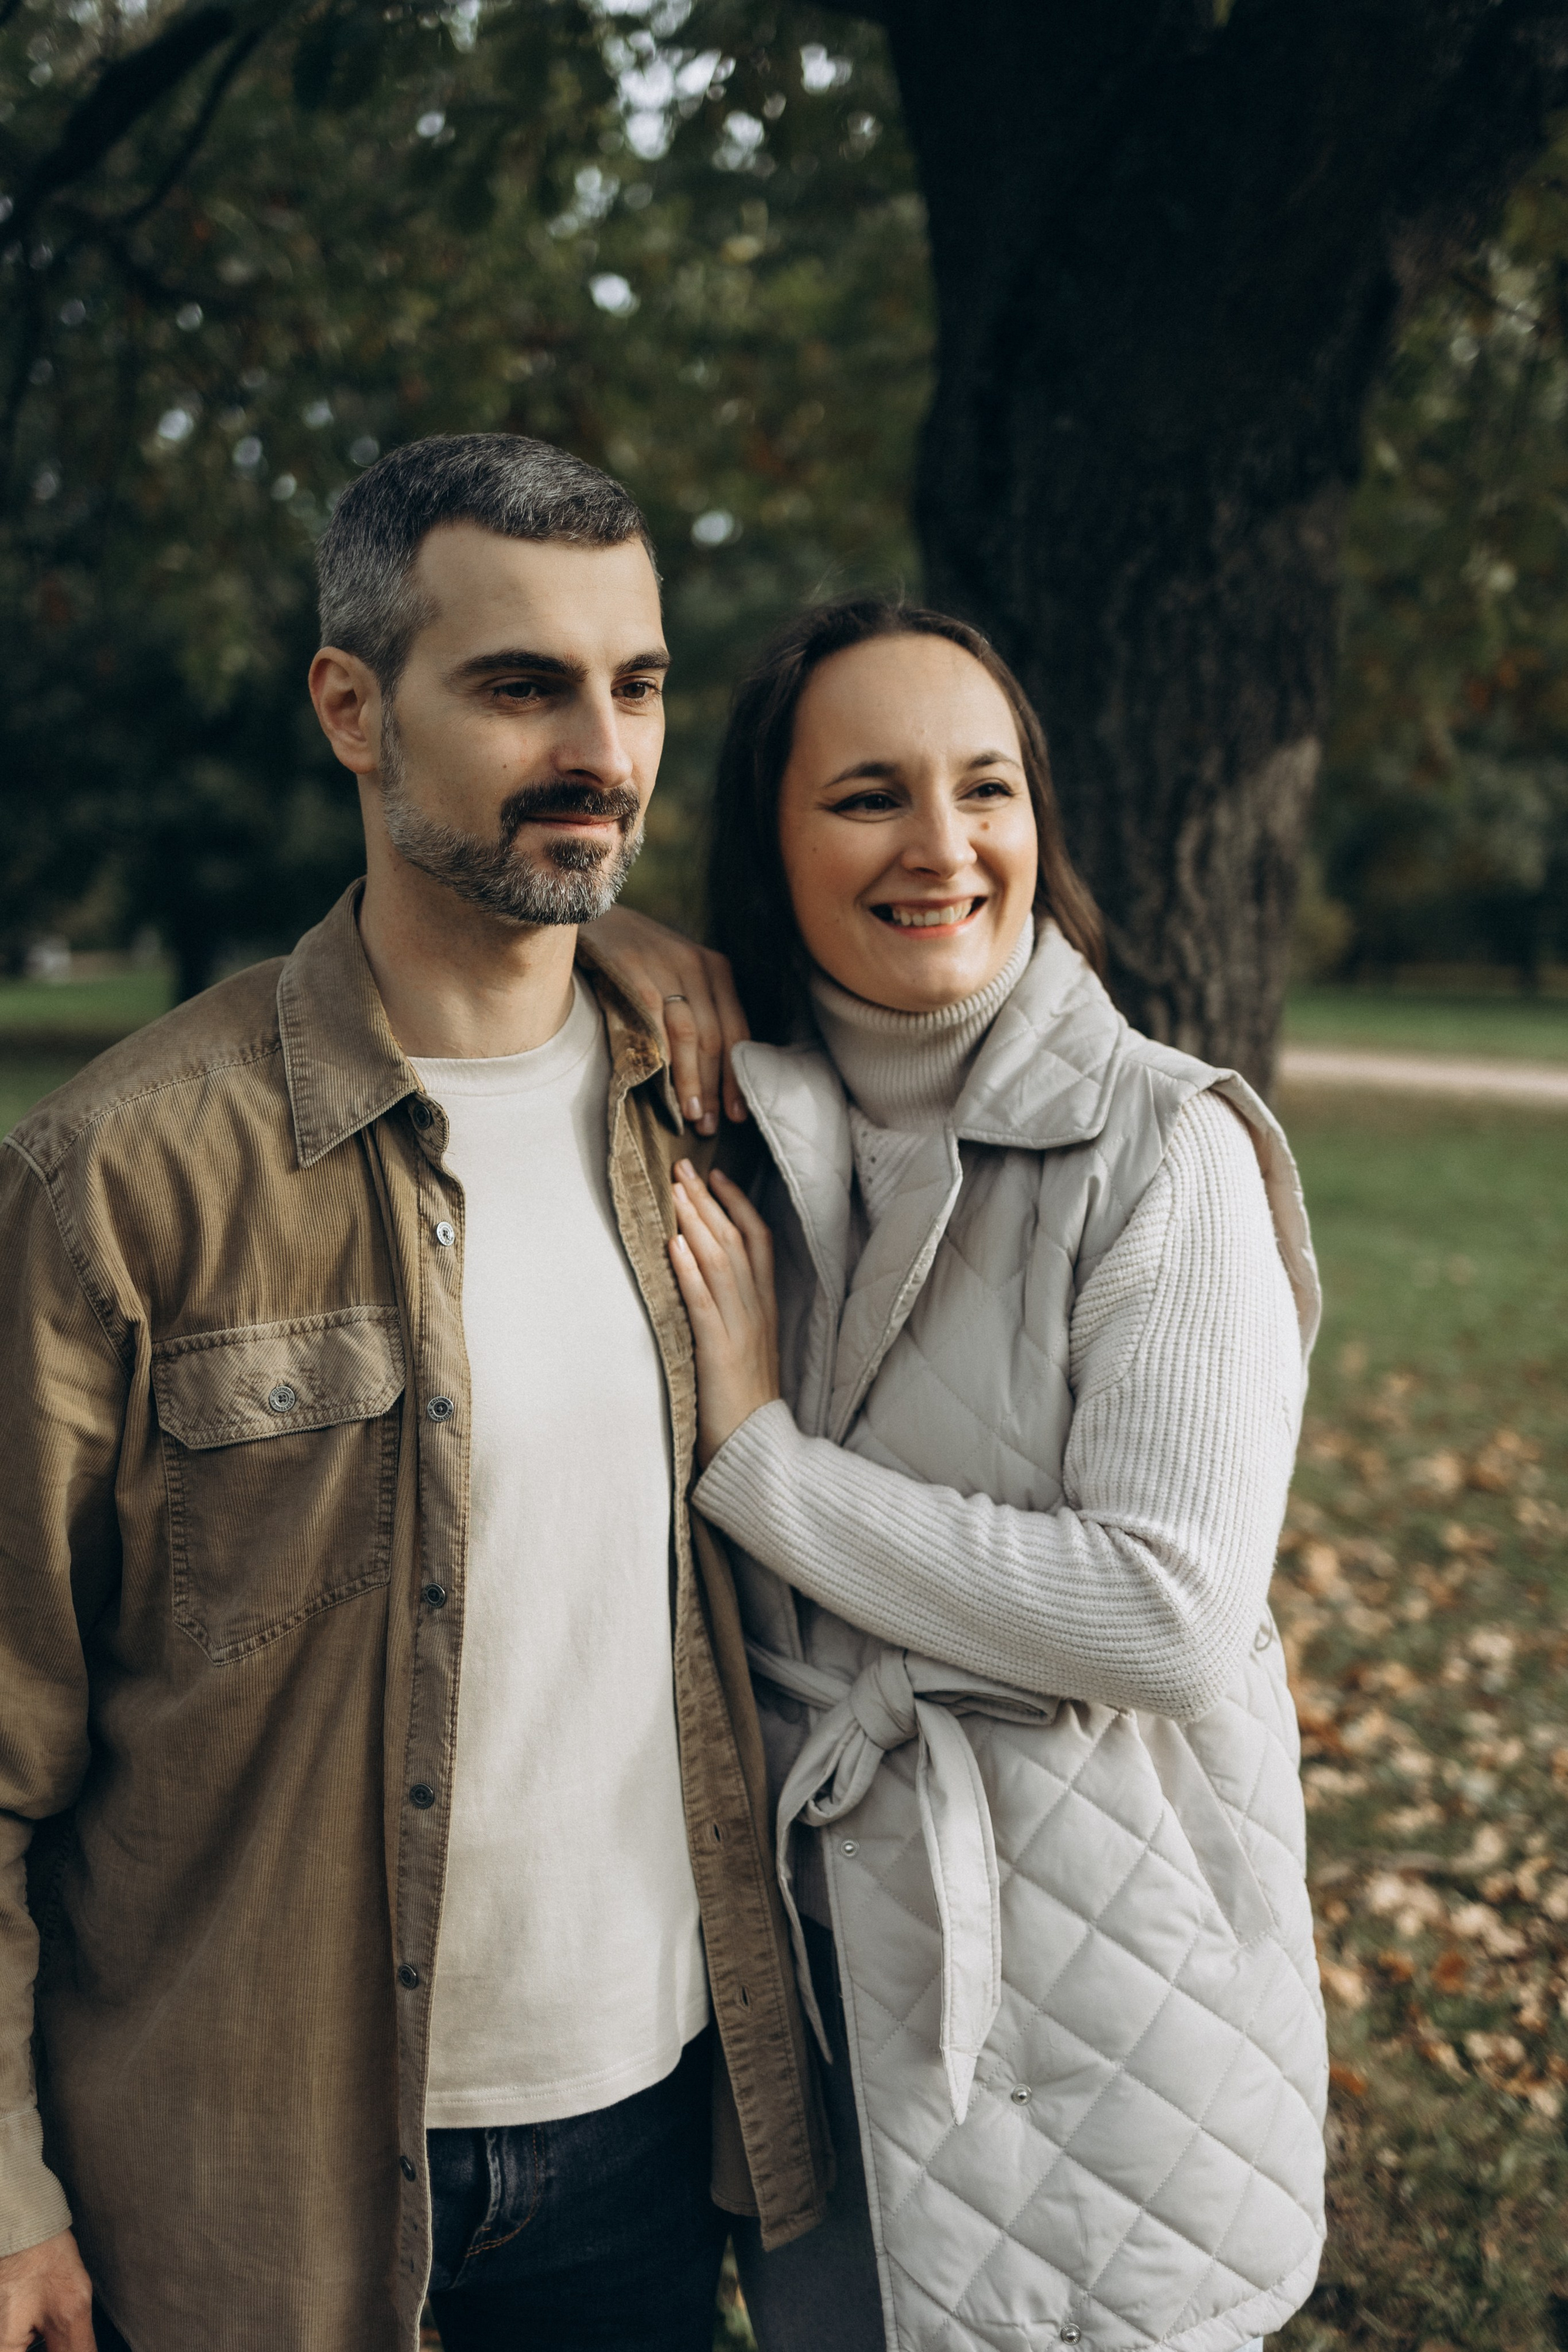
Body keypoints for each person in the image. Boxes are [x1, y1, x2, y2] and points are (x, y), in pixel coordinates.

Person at [0, 433, 827, 2352]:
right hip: (237, 2174)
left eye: (636, 686)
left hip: (645, 2138)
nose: (602, 750)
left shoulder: (712, 1109)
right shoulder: (123, 1177)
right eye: (523, 685)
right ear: (352, 709)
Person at [663, 597, 1329, 2352]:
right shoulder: (718, 1126)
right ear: (772, 843)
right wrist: (626, 952)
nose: (943, 846)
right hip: (814, 1999)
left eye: (986, 787)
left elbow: (1167, 1616)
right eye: (868, 796)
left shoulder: (1166, 1148)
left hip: (1104, 2014)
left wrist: (764, 1467)